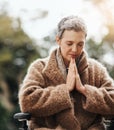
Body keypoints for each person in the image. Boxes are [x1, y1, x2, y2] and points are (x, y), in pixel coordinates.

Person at [19, 15, 114, 130]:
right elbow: (27, 102)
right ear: (58, 40)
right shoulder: (39, 67)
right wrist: (65, 89)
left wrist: (85, 90)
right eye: (69, 43)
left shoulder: (96, 70)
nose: (74, 49)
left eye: (80, 44)